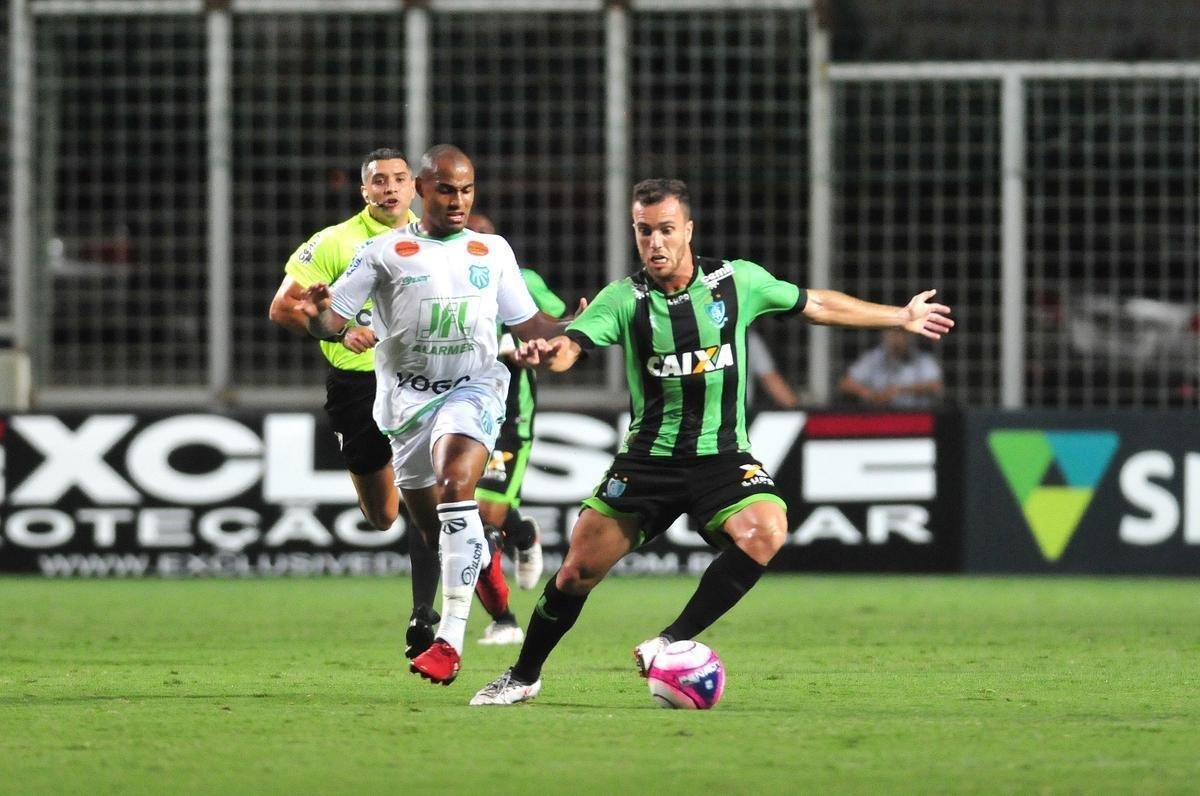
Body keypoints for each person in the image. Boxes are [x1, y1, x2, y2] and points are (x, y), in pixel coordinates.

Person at [470, 178, 953, 705]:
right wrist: (548, 355)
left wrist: (899, 316)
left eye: (666, 230)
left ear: (689, 231)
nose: (655, 242)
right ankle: (522, 676)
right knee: (575, 573)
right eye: (644, 231)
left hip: (721, 457)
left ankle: (668, 641)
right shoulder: (624, 298)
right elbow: (572, 346)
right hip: (648, 461)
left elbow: (816, 303)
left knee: (767, 529)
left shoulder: (737, 282)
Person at [295, 144, 571, 685]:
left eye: (466, 190)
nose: (458, 200)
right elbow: (331, 324)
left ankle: (449, 640)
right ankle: (484, 562)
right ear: (422, 191)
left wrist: (574, 330)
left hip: (474, 390)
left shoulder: (492, 250)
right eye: (446, 190)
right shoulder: (383, 252)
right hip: (405, 404)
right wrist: (319, 312)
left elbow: (530, 325)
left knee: (455, 486)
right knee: (433, 531)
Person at [466, 212, 569, 602]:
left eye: (485, 238)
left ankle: (503, 619)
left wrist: (526, 344)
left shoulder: (521, 280)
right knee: (461, 504)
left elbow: (551, 320)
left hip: (509, 414)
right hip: (458, 405)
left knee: (484, 518)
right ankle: (523, 535)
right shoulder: (443, 281)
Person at [838, 328, 944, 408]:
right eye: (892, 334)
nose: (896, 339)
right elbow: (846, 384)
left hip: (916, 417)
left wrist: (901, 390)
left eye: (901, 334)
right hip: (881, 417)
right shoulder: (873, 358)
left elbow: (936, 386)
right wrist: (872, 396)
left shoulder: (923, 360)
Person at [746, 329, 803, 409]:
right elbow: (772, 381)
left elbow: (771, 380)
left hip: (737, 412)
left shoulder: (749, 339)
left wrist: (796, 410)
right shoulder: (748, 339)